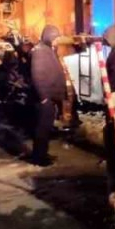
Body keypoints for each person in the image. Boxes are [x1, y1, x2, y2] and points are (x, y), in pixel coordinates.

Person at [27, 25, 66, 166]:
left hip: (49, 98)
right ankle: (38, 158)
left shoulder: (48, 50)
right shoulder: (39, 52)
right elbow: (37, 75)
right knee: (42, 129)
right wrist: (43, 97)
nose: (57, 41)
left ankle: (43, 154)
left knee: (46, 128)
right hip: (44, 99)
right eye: (55, 38)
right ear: (49, 36)